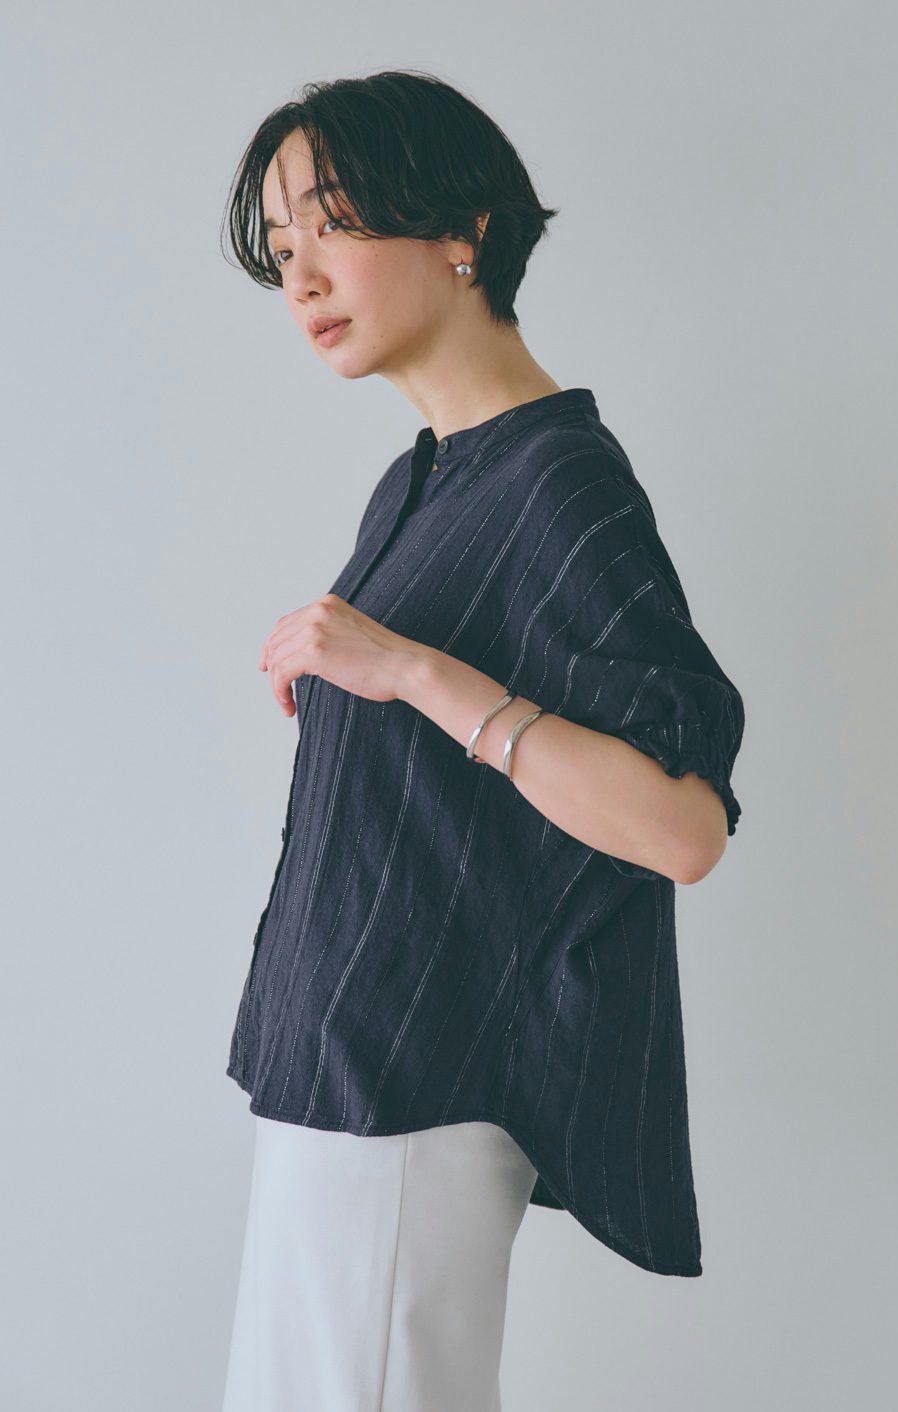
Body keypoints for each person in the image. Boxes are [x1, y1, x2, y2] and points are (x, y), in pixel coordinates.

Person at [219, 69, 745, 1412]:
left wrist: (407, 670)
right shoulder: (423, 480)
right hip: (337, 1075)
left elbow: (682, 827)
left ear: (463, 231)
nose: (301, 275)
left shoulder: (558, 482)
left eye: (332, 223)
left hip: (409, 1094)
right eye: (281, 245)